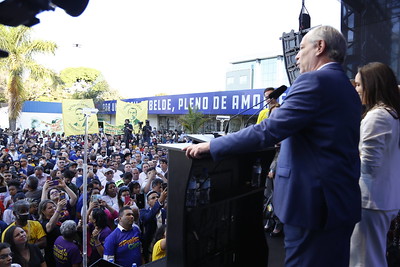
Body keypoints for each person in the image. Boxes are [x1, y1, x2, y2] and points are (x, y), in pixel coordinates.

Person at [184, 25, 362, 267]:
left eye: (301, 48)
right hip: (339, 202)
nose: (297, 56)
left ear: (320, 47)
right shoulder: (348, 89)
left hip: (313, 206)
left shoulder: (314, 81)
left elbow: (268, 130)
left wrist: (213, 146)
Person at [349, 62, 400, 267]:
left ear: (373, 85)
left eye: (359, 85)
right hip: (382, 199)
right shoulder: (392, 113)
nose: (356, 89)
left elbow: (368, 165)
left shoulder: (377, 115)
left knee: (363, 261)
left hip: (369, 201)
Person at [140, 190, 167, 263]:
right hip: (150, 247)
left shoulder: (165, 212)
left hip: (164, 246)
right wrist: (159, 202)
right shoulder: (143, 212)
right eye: (153, 198)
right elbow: (148, 218)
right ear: (148, 202)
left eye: (157, 197)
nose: (156, 199)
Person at [38, 199, 67, 266]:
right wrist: (58, 209)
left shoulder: (57, 218)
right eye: (50, 208)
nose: (53, 208)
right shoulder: (43, 222)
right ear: (43, 211)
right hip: (52, 255)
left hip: (61, 252)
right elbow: (49, 227)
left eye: (54, 206)